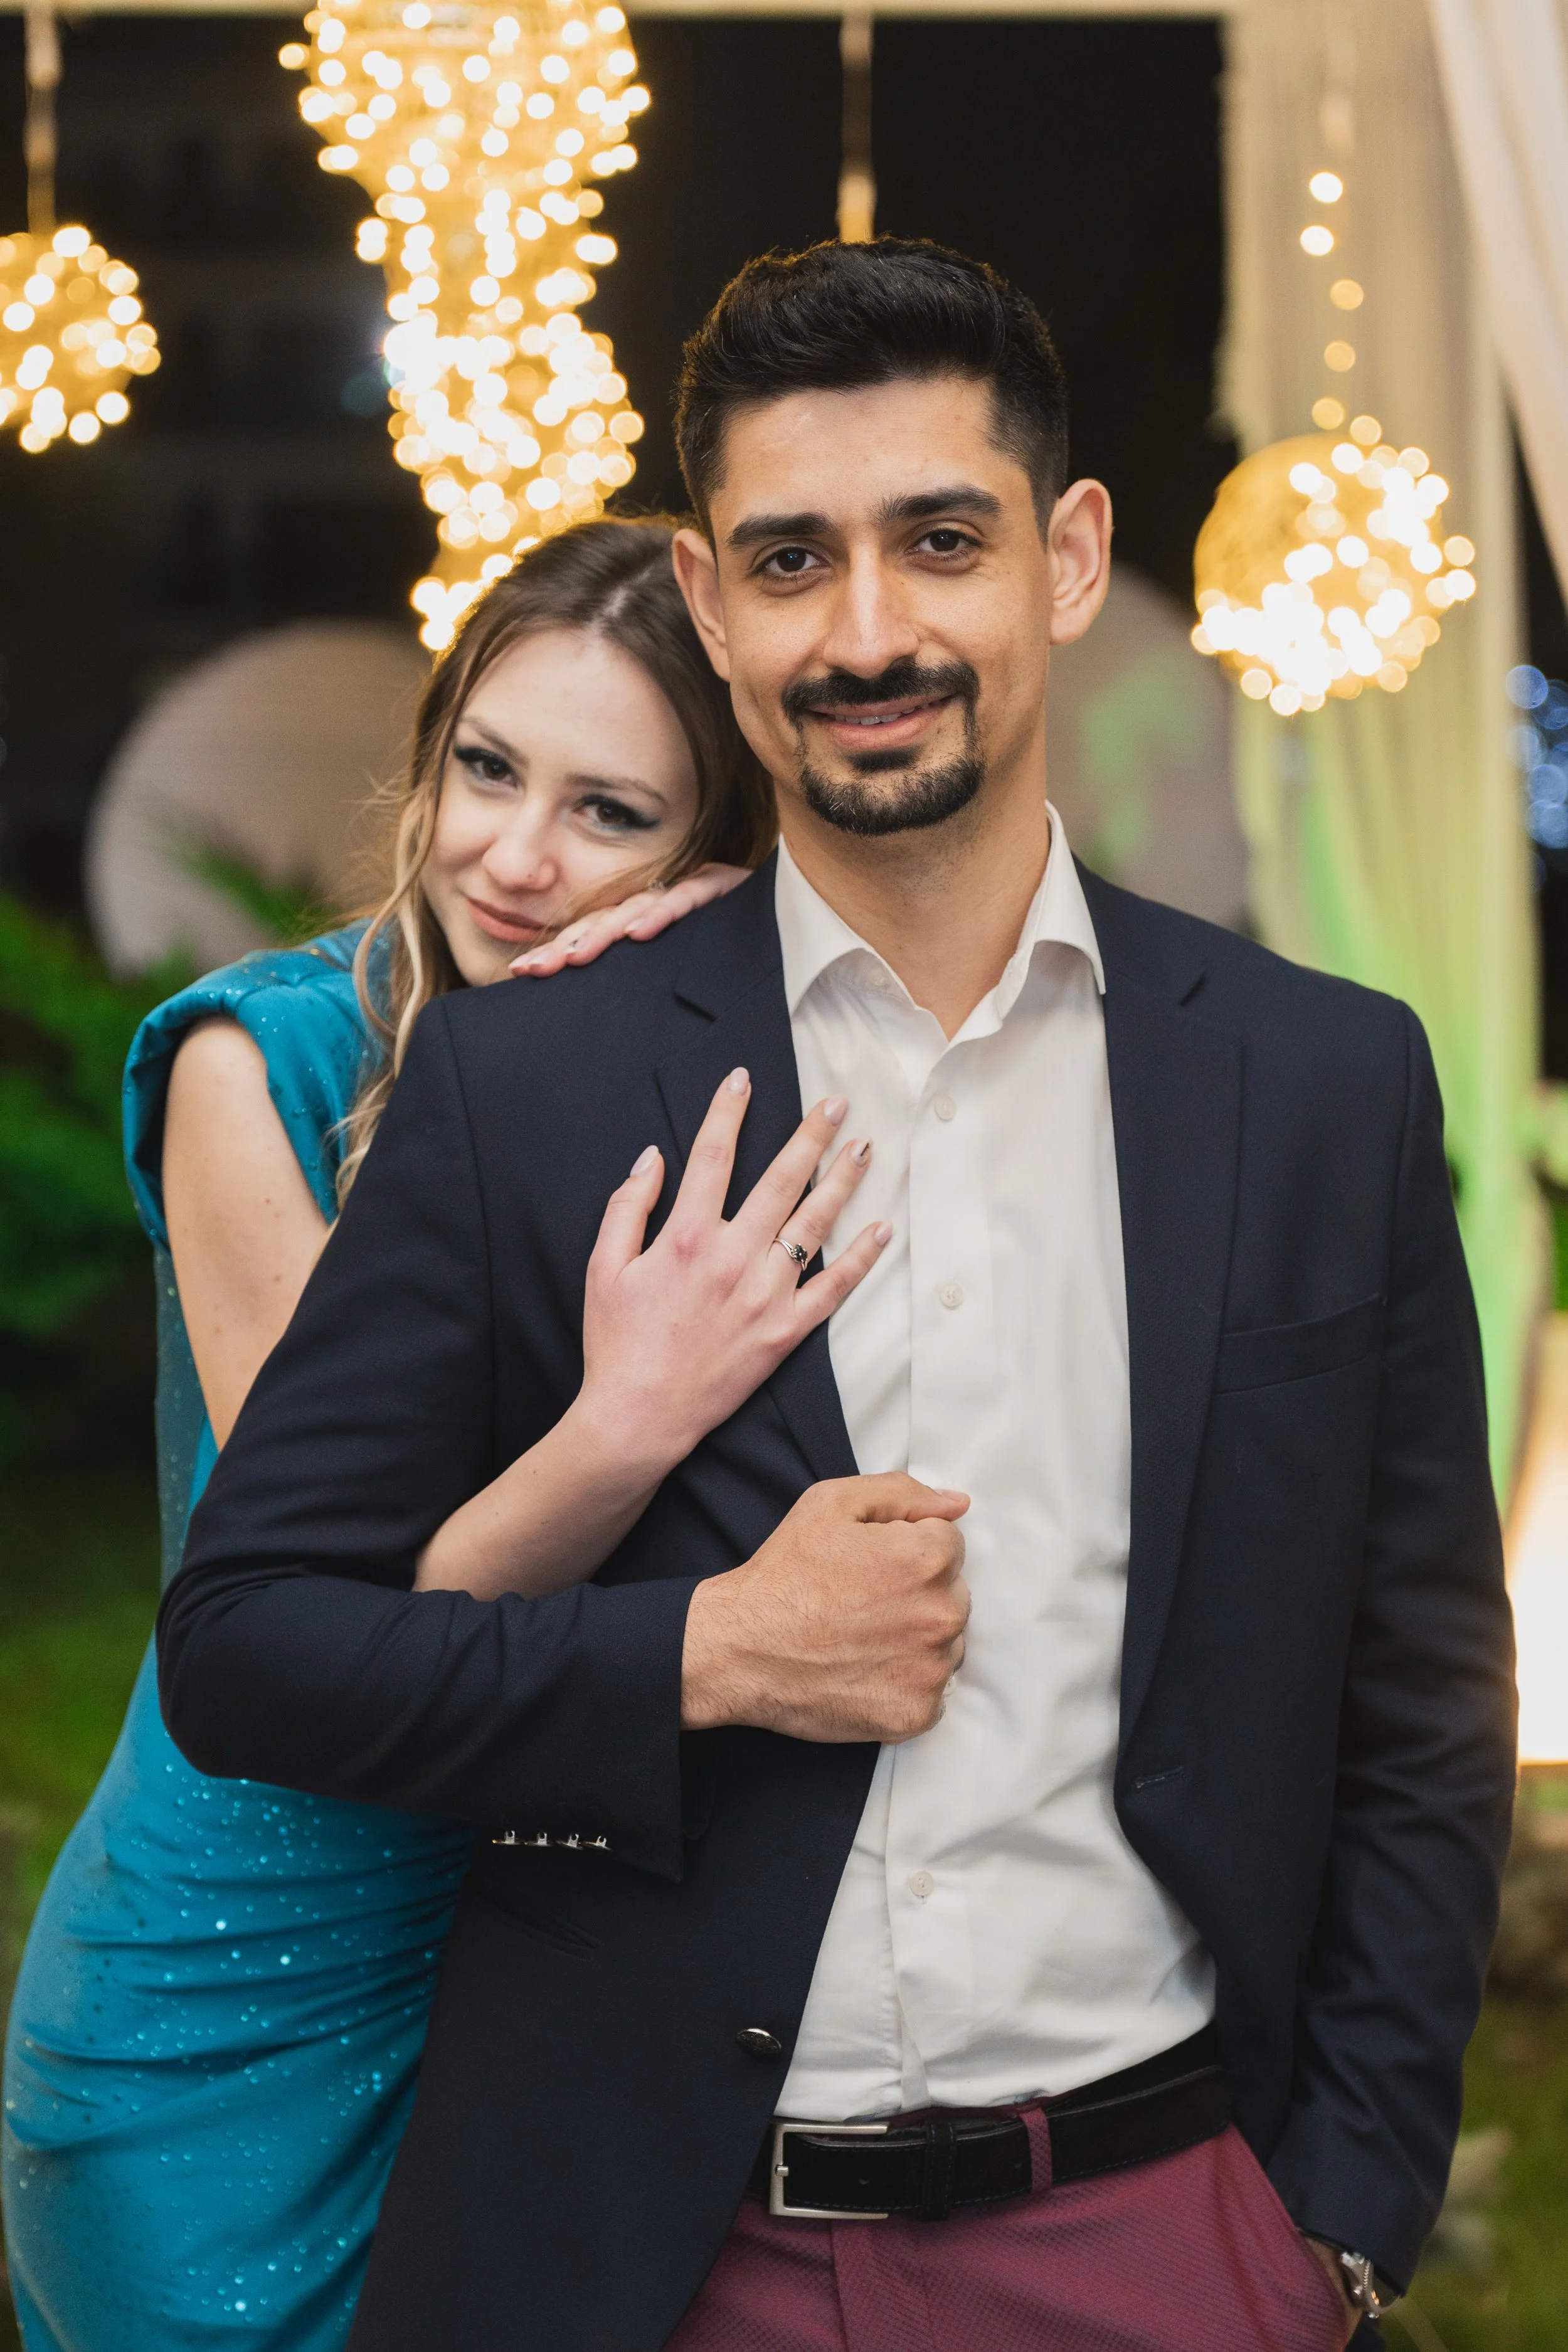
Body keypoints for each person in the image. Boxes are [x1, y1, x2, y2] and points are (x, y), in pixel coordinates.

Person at [155, 241, 1516, 2352]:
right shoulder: (535, 1082)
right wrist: (701, 1652)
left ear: (1069, 559)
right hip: (644, 2259)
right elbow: (251, 1648)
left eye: (940, 541)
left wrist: (1331, 2220)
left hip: (1165, 2239)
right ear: (709, 605)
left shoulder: (1321, 1082)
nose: (866, 630)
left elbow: (1421, 1691)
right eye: (792, 559)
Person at [3, 516, 889, 2351]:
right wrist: (630, 1415)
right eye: (489, 768)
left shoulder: (682, 1092)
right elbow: (344, 1621)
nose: (517, 855)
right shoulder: (262, 1064)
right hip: (232, 1977)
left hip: (521, 1973)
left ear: (711, 852)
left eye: (609, 812)